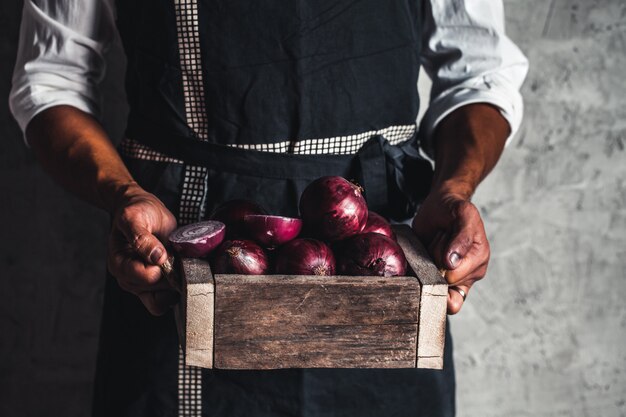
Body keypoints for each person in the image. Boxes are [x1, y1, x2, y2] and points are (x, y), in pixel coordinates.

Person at [9, 0, 528, 416]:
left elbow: (477, 73)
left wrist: (453, 190)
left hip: (378, 248)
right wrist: (125, 196)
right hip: (179, 252)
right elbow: (53, 81)